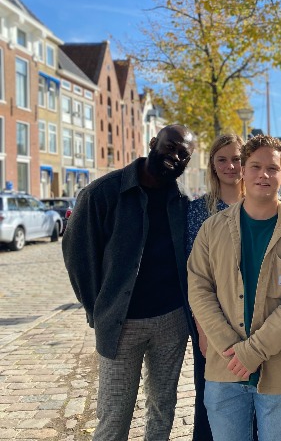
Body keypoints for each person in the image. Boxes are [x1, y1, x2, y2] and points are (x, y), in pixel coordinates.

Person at [62, 125, 196, 440]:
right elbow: (77, 255)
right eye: (171, 147)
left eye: (183, 155)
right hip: (122, 324)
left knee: (163, 408)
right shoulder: (102, 193)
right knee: (114, 416)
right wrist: (99, 309)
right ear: (153, 143)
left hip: (171, 321)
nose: (175, 157)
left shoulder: (180, 201)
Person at [187, 135, 281, 441]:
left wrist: (253, 352)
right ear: (243, 170)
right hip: (224, 368)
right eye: (255, 166)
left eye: (272, 168)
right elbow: (199, 287)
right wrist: (230, 347)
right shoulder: (213, 228)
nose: (263, 175)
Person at [186, 134, 245, 441]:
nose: (230, 166)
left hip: (253, 322)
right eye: (222, 159)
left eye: (236, 159)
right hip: (212, 321)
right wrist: (203, 329)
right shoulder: (199, 211)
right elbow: (197, 277)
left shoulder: (261, 206)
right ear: (212, 165)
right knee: (212, 397)